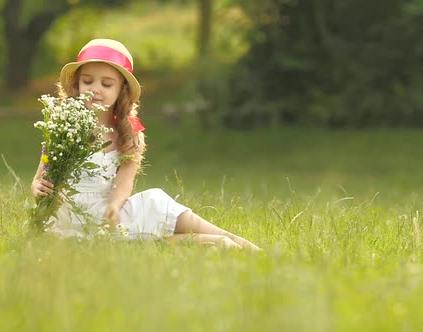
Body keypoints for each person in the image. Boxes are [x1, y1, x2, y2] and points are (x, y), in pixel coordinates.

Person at [30, 38, 260, 251]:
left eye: (107, 84)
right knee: (144, 237)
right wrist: (37, 188)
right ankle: (221, 243)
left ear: (122, 90)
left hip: (110, 208)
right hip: (72, 215)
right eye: (87, 81)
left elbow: (124, 181)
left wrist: (115, 205)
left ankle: (237, 242)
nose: (95, 89)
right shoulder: (64, 126)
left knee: (155, 202)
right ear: (77, 85)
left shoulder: (128, 133)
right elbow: (42, 176)